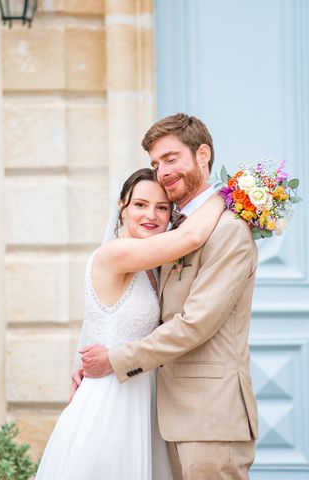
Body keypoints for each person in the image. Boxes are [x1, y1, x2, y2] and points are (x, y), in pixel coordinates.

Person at [81, 113, 259, 480]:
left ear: (203, 155)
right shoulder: (169, 233)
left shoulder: (227, 228)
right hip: (163, 414)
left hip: (210, 419)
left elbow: (195, 323)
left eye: (171, 158)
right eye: (155, 163)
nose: (162, 171)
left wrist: (113, 359)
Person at [35, 167, 225, 480]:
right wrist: (229, 196)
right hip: (113, 400)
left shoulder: (152, 265)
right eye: (140, 204)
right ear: (122, 206)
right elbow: (191, 236)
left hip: (142, 393)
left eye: (162, 207)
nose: (151, 215)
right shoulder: (116, 253)